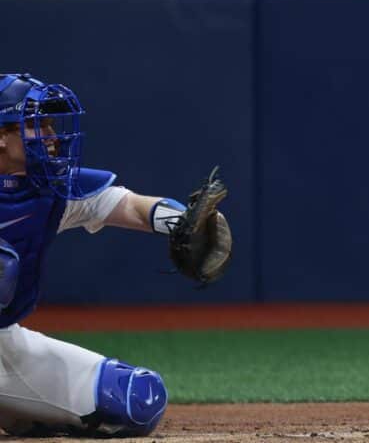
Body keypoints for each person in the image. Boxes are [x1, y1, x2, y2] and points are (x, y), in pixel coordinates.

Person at [0, 73, 232, 436]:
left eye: (47, 122)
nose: (49, 134)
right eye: (34, 124)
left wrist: (183, 223)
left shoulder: (51, 191)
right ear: (1, 135)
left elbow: (128, 206)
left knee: (138, 400)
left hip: (4, 346)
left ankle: (16, 409)